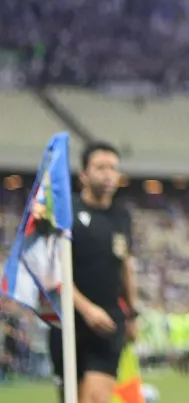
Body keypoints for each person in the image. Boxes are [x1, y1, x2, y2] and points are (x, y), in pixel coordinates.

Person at [49, 142, 138, 403]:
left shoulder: (122, 216)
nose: (109, 174)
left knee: (96, 398)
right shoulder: (66, 214)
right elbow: (54, 270)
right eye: (101, 168)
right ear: (84, 175)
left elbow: (125, 266)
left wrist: (132, 314)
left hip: (108, 322)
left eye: (113, 168)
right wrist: (86, 309)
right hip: (68, 321)